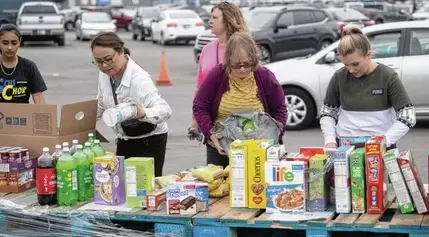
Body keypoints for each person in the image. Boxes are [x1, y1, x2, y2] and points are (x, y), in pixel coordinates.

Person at [193, 32, 287, 168]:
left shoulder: (264, 77)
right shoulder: (217, 75)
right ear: (228, 61)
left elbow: (280, 108)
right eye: (236, 65)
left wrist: (276, 133)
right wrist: (211, 134)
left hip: (258, 149)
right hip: (222, 150)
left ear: (254, 60)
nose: (242, 69)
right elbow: (200, 106)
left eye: (247, 64)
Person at [320, 26, 416, 149]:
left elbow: (408, 115)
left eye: (355, 64)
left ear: (368, 55)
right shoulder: (339, 76)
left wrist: (385, 140)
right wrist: (330, 140)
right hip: (345, 147)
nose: (351, 70)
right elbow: (327, 112)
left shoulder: (387, 76)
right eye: (346, 65)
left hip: (380, 149)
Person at [92, 32, 172, 177]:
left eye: (108, 59)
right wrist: (81, 122)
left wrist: (142, 112)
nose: (104, 65)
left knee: (145, 188)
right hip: (125, 136)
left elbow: (165, 110)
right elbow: (102, 102)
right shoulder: (105, 73)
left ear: (121, 52)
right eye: (98, 61)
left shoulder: (139, 79)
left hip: (149, 139)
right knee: (121, 184)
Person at [188, 2, 249, 134]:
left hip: (242, 122)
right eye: (211, 17)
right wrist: (195, 121)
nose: (210, 21)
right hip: (213, 124)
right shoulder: (207, 50)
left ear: (228, 20)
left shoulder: (244, 47)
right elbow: (199, 88)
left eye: (215, 18)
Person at [0, 24, 47, 104]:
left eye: (14, 43)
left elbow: (38, 96)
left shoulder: (29, 66)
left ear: (20, 41)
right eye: (5, 43)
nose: (10, 47)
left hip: (23, 115)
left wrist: (43, 114)